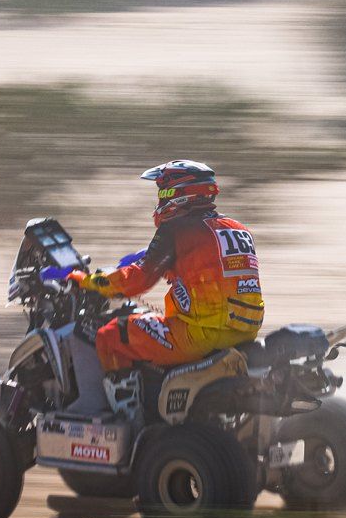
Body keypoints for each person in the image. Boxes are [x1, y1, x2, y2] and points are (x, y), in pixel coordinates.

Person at [67, 159, 265, 372]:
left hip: (200, 334)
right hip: (245, 331)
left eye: (163, 192)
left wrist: (88, 281)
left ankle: (126, 406)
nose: (160, 198)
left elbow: (139, 280)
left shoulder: (175, 229)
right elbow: (206, 264)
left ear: (178, 194)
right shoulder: (238, 228)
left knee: (111, 335)